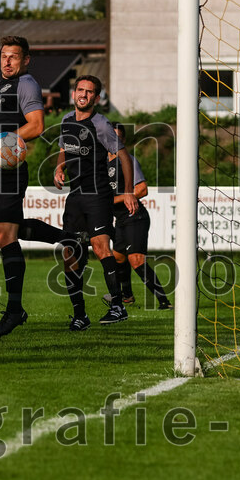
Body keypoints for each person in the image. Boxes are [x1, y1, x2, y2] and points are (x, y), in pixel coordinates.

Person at [0, 36, 82, 338]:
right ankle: (70, 239)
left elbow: (35, 125)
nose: (7, 61)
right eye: (3, 56)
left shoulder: (27, 83)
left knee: (4, 233)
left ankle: (15, 309)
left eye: (14, 57)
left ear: (26, 60)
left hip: (10, 171)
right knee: (12, 227)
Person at [54, 76, 139, 329]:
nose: (84, 94)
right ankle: (80, 315)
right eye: (80, 90)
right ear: (74, 94)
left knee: (101, 247)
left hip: (97, 194)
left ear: (96, 98)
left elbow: (123, 156)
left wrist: (127, 191)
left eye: (90, 92)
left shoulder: (100, 123)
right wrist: (59, 168)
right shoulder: (66, 120)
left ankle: (118, 306)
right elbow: (64, 148)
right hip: (75, 196)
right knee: (71, 254)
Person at [105, 122, 171, 309]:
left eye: (118, 137)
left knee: (136, 260)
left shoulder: (128, 160)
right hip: (121, 220)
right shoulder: (101, 163)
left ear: (123, 140)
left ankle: (163, 301)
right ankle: (127, 297)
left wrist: (114, 201)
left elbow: (142, 189)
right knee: (117, 257)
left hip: (136, 217)